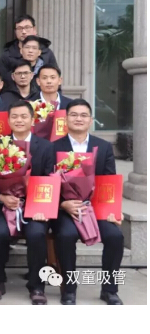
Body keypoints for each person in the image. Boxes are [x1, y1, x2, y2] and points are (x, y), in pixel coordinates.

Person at [53, 99, 124, 305]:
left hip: (96, 208)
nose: (79, 119)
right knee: (66, 235)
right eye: (74, 115)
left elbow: (109, 181)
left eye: (84, 115)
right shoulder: (53, 147)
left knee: (115, 236)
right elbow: (47, 182)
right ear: (66, 119)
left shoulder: (103, 147)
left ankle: (109, 289)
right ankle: (69, 289)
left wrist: (113, 210)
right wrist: (62, 204)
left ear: (91, 120)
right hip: (66, 209)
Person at [0, 101, 56, 304]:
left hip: (35, 206)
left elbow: (49, 180)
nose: (19, 120)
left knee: (36, 234)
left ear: (32, 120)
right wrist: (1, 197)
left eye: (24, 116)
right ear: (8, 120)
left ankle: (36, 285)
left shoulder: (45, 147)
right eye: (15, 117)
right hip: (4, 205)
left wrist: (42, 208)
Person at [0, 14, 59, 80]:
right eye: (19, 28)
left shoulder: (47, 53)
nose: (23, 32)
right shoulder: (7, 55)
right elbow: (1, 80)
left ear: (34, 29)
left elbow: (55, 78)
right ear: (15, 32)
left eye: (27, 27)